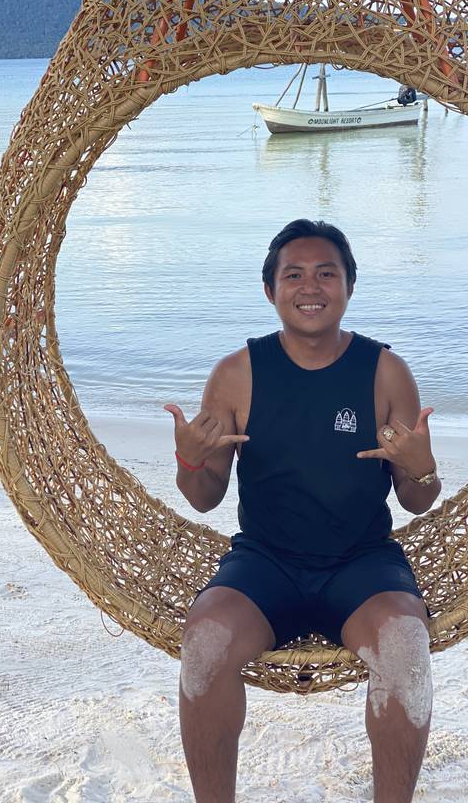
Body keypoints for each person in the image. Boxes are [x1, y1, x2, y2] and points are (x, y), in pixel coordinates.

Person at [164, 218, 441, 803]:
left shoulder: (385, 372)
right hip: (266, 563)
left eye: (326, 274)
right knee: (204, 643)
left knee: (405, 648)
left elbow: (416, 500)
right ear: (270, 290)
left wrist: (422, 468)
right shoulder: (236, 375)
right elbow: (206, 497)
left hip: (362, 565)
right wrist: (190, 460)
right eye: (293, 275)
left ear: (349, 286)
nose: (310, 287)